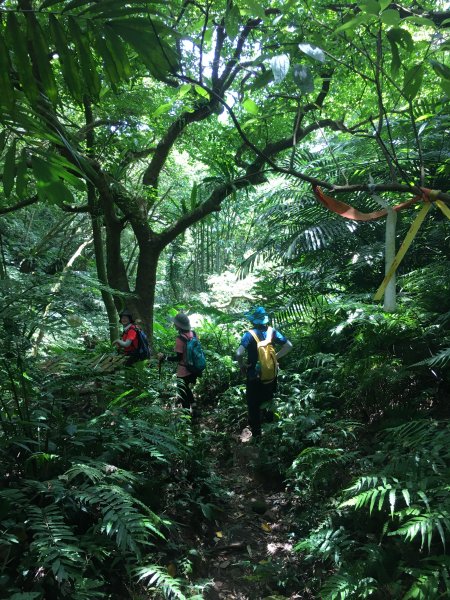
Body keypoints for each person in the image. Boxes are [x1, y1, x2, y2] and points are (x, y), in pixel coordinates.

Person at [236, 306, 293, 438]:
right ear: (265, 320)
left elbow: (238, 353)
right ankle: (271, 431)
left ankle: (257, 435)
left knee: (253, 404)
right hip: (270, 375)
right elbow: (289, 346)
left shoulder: (249, 334)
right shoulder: (272, 332)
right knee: (268, 401)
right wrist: (274, 358)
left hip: (253, 376)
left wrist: (242, 366)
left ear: (253, 321)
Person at [158, 313, 198, 412]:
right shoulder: (193, 333)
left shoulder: (180, 338)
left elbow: (178, 358)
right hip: (194, 368)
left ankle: (186, 417)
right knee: (188, 388)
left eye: (175, 323)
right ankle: (194, 407)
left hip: (184, 369)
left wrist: (165, 357)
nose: (174, 325)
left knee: (183, 392)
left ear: (179, 325)